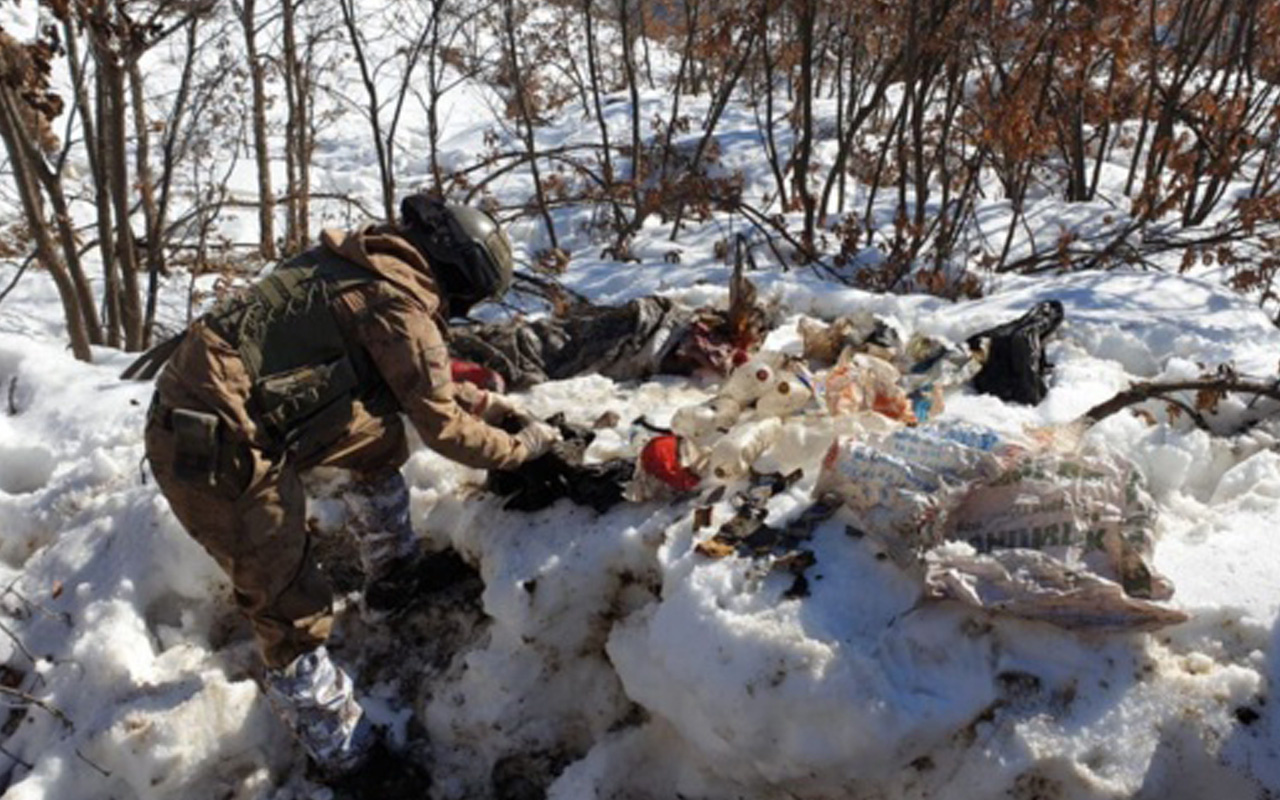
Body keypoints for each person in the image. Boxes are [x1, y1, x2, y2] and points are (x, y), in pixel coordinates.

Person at [141, 195, 559, 775]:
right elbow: (443, 430)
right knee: (288, 600)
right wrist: (523, 450)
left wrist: (486, 404)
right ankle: (342, 750)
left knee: (375, 437)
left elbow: (413, 380)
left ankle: (393, 573)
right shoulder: (397, 301)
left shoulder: (364, 263)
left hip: (237, 404)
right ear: (458, 278)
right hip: (211, 439)